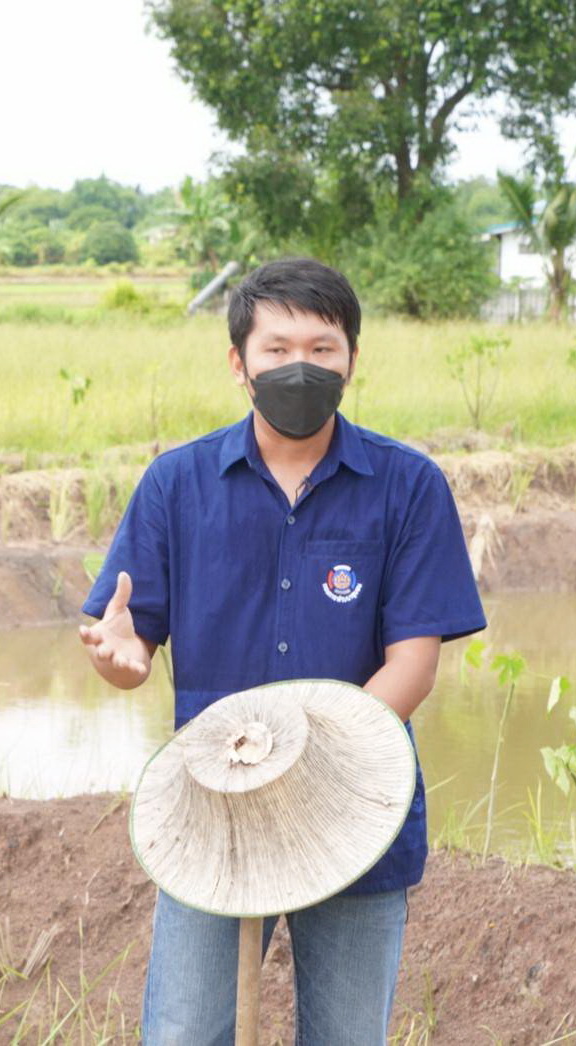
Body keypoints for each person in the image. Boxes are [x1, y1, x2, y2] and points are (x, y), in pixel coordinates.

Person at [79, 258, 485, 1044]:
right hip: (212, 809)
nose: (298, 366)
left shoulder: (407, 486)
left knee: (343, 1035)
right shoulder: (175, 485)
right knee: (184, 1033)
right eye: (275, 348)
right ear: (239, 363)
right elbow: (129, 640)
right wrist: (117, 657)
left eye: (321, 348)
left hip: (357, 806)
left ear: (351, 360)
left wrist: (308, 759)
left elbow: (413, 662)